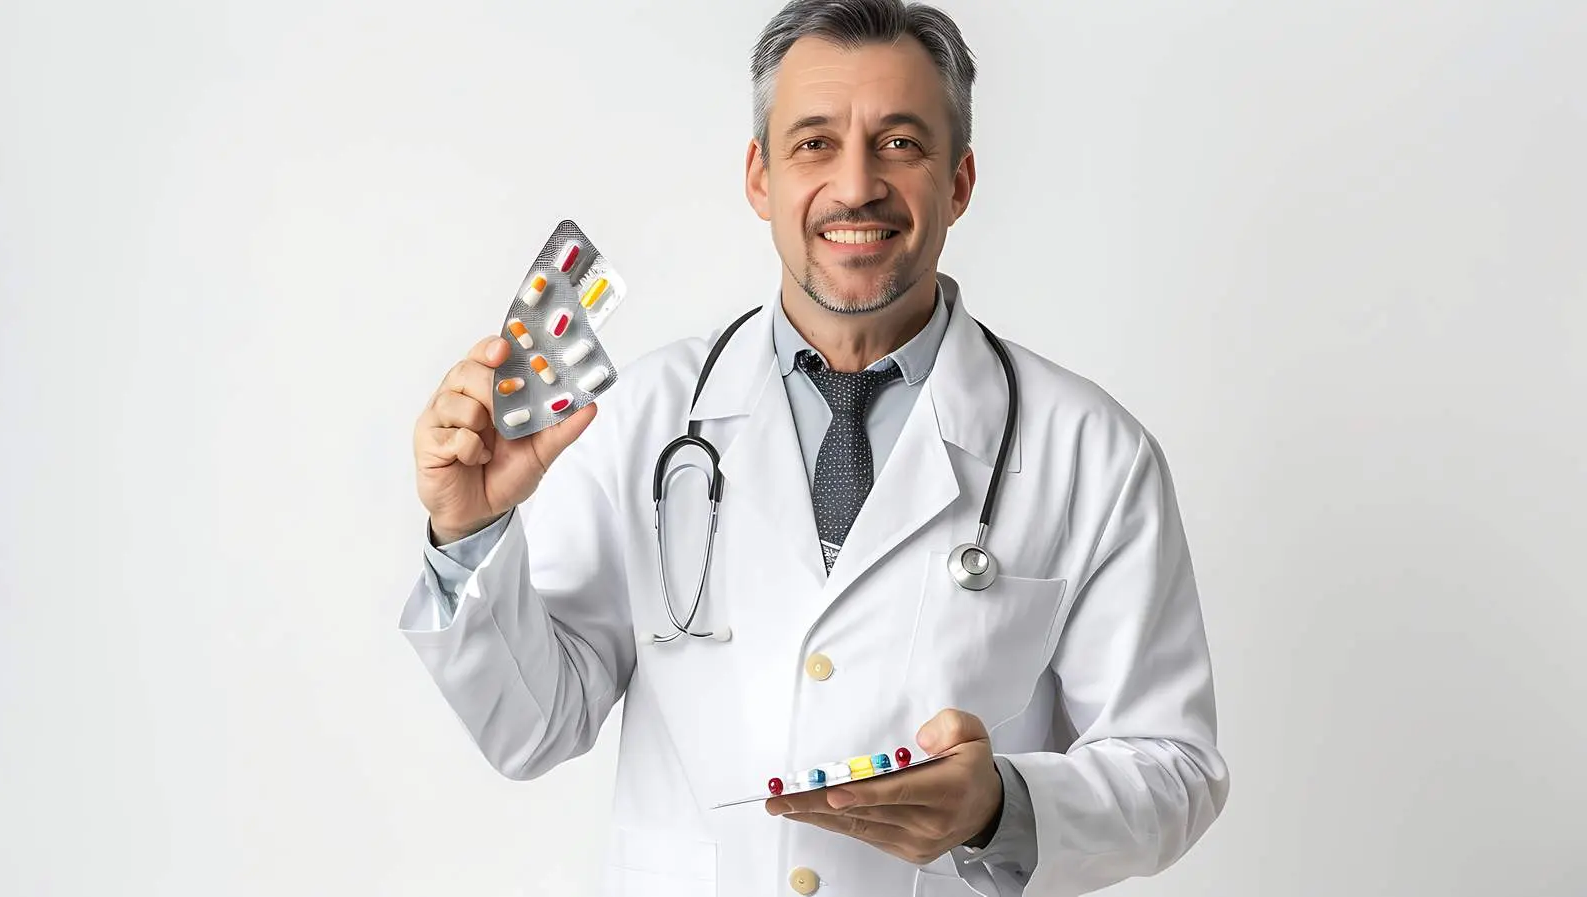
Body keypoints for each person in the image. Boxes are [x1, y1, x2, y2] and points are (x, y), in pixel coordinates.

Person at [401, 1, 1229, 894]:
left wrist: (1001, 806)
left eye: (902, 143)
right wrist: (472, 535)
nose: (856, 185)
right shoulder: (644, 418)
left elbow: (1173, 764)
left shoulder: (1090, 452)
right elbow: (532, 728)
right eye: (814, 144)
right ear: (759, 177)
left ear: (959, 181)